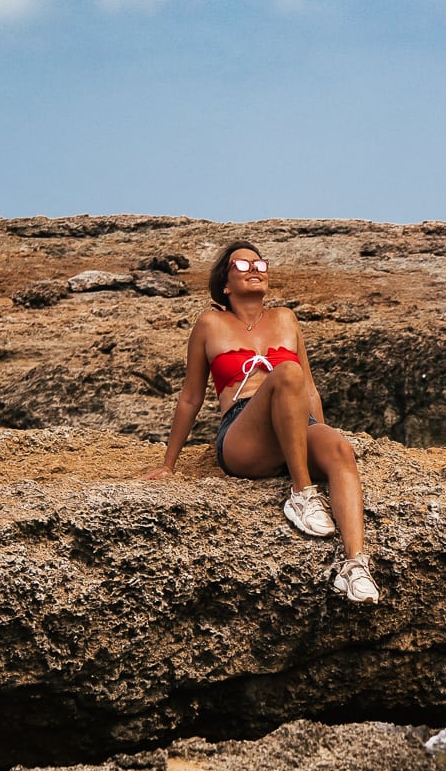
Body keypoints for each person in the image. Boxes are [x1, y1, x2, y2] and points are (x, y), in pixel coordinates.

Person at [142, 239, 380, 602]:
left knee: (339, 449)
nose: (255, 269)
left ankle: (354, 566)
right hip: (243, 434)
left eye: (260, 264)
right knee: (286, 372)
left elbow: (311, 390)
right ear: (225, 283)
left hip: (296, 421)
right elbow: (191, 396)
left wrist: (321, 431)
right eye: (242, 265)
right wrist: (169, 463)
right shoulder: (209, 323)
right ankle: (302, 492)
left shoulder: (285, 318)